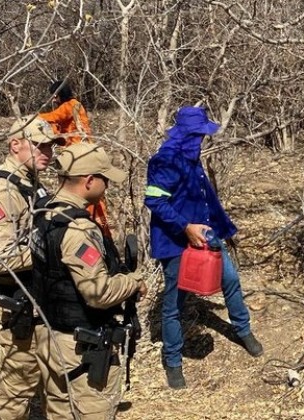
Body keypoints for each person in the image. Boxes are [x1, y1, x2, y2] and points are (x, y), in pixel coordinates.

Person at [144, 106, 263, 390]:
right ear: (184, 133)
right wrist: (185, 227)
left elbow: (206, 199)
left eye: (202, 136)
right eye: (196, 135)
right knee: (175, 303)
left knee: (231, 280)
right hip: (175, 241)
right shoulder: (165, 160)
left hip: (207, 235)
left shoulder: (192, 157)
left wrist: (222, 229)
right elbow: (155, 201)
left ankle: (243, 330)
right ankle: (172, 360)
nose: (200, 140)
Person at [31, 142, 147, 419]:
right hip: (81, 345)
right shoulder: (78, 229)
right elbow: (98, 293)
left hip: (50, 336)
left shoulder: (43, 213)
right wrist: (133, 282)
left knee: (60, 410)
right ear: (89, 181)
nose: (106, 186)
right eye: (104, 179)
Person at [0, 115, 60, 419]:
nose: (47, 153)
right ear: (15, 145)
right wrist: (56, 253)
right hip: (20, 304)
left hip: (39, 301)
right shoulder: (1, 189)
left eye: (51, 146)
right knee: (16, 391)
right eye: (39, 146)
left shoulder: (29, 182)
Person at [39, 81, 113, 238]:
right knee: (97, 202)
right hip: (85, 152)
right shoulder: (76, 104)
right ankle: (104, 231)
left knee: (89, 201)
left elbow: (53, 117)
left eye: (55, 95)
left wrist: (34, 117)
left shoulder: (70, 105)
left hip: (79, 156)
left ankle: (100, 231)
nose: (53, 99)